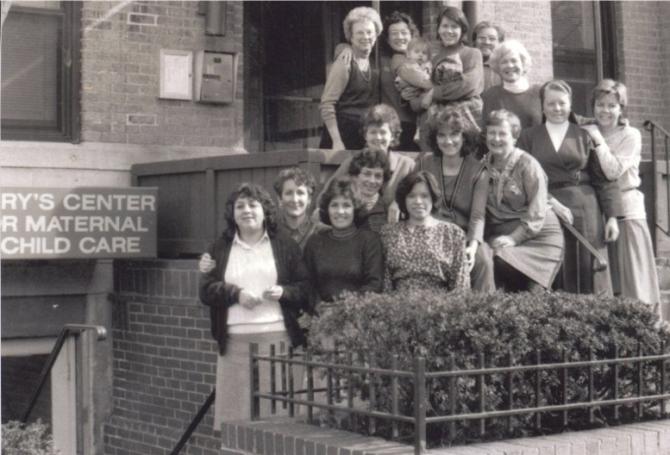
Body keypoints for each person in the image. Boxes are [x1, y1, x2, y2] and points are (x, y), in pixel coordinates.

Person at [198, 183, 310, 426]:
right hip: (235, 343)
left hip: (277, 340)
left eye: (253, 205)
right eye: (240, 206)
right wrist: (235, 294)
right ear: (232, 213)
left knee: (278, 416)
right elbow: (206, 291)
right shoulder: (220, 247)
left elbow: (304, 288)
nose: (247, 210)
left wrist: (284, 291)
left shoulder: (284, 244)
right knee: (236, 418)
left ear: (265, 211)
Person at [517, 80, 622, 296]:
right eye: (551, 103)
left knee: (587, 266)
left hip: (586, 207)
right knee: (553, 264)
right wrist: (548, 202)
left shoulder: (585, 134)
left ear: (570, 104)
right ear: (543, 106)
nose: (557, 108)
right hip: (545, 207)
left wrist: (612, 216)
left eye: (562, 103)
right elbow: (522, 178)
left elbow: (603, 179)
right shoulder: (528, 137)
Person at [581, 80, 661, 314]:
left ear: (621, 108)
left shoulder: (630, 135)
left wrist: (597, 138)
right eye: (600, 104)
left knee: (633, 279)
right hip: (597, 211)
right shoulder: (585, 131)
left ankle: (646, 330)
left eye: (612, 105)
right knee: (607, 281)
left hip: (627, 211)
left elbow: (613, 170)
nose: (605, 110)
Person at [415, 108, 495, 292]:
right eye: (441, 135)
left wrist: (473, 246)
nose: (448, 141)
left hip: (465, 235)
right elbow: (409, 195)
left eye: (454, 134)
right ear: (434, 138)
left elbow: (478, 215)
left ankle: (483, 313)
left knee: (483, 260)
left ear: (465, 136)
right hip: (429, 232)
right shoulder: (424, 163)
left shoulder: (478, 170)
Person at [483, 109, 564, 291]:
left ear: (514, 137)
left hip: (539, 237)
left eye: (502, 133)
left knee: (533, 296)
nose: (496, 139)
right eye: (492, 133)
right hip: (503, 235)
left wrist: (514, 238)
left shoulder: (528, 165)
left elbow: (538, 210)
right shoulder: (482, 165)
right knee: (495, 263)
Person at [335, 10, 421, 150]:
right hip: (385, 126)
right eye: (394, 33)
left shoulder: (419, 60)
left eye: (404, 32)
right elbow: (351, 48)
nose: (399, 37)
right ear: (387, 38)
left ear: (412, 35)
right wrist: (346, 48)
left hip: (411, 125)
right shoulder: (379, 59)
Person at [319, 104, 415, 223]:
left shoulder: (407, 165)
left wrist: (399, 202)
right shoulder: (352, 162)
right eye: (373, 132)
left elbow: (418, 195)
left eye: (383, 132)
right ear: (365, 135)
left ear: (393, 135)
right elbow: (327, 193)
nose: (378, 137)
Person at [380, 171, 470, 292]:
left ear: (433, 198)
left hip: (441, 306)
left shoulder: (452, 233)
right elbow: (385, 281)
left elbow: (461, 285)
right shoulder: (389, 233)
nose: (418, 201)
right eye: (411, 196)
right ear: (404, 200)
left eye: (424, 196)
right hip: (398, 305)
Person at [303, 177, 384, 307]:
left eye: (346, 205)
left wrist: (344, 308)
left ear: (355, 208)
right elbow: (307, 284)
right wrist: (319, 307)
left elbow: (374, 284)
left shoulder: (369, 241)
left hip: (358, 314)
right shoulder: (315, 242)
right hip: (320, 316)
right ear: (327, 209)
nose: (340, 211)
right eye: (334, 205)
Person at [418, 6, 485, 147]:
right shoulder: (434, 59)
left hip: (466, 120)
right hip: (438, 124)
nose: (449, 31)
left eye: (454, 27)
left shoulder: (472, 53)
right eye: (444, 26)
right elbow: (425, 89)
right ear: (438, 29)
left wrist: (435, 93)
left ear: (462, 30)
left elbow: (468, 85)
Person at [319, 6, 383, 151]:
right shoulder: (345, 62)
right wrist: (336, 141)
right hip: (342, 135)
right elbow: (327, 104)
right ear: (351, 37)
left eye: (369, 32)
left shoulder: (373, 62)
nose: (366, 37)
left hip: (364, 135)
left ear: (376, 35)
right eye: (360, 32)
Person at [482, 40, 542, 129]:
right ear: (498, 67)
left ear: (523, 64)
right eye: (504, 62)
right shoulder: (490, 95)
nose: (509, 65)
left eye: (514, 60)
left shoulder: (540, 93)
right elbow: (486, 132)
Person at [273, 167, 328, 250]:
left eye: (300, 193)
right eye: (289, 193)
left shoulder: (322, 233)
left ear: (309, 199)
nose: (295, 199)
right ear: (280, 199)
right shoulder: (271, 233)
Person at [392, 37, 434, 145]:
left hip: (424, 95)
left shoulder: (428, 66)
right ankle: (418, 133)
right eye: (417, 52)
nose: (420, 55)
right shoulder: (409, 66)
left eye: (424, 53)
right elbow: (399, 82)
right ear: (409, 54)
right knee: (419, 113)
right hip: (415, 95)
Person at [347, 149, 391, 232]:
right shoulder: (341, 204)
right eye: (367, 174)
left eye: (378, 176)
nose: (372, 181)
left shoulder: (387, 209)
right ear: (355, 176)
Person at [472, 21, 505, 91]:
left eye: (492, 39)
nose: (487, 42)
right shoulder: (465, 64)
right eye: (482, 38)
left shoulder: (504, 67)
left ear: (500, 43)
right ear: (474, 41)